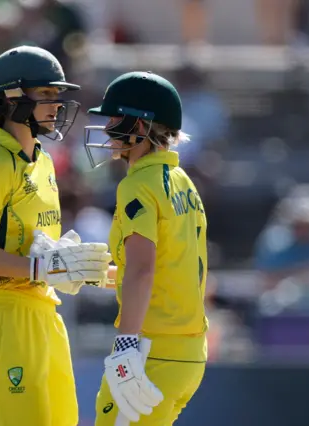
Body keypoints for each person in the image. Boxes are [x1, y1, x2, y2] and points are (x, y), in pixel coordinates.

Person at [0, 45, 112, 426]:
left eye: (57, 94)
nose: (56, 104)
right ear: (10, 98)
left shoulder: (42, 162)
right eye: (45, 94)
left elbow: (36, 251)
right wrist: (40, 267)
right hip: (3, 317)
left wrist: (85, 270)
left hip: (45, 313)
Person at [84, 71, 209, 425]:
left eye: (114, 118)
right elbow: (170, 266)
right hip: (188, 353)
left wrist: (126, 344)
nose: (107, 128)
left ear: (140, 127)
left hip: (153, 348)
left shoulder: (138, 185)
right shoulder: (183, 181)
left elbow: (143, 269)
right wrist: (98, 276)